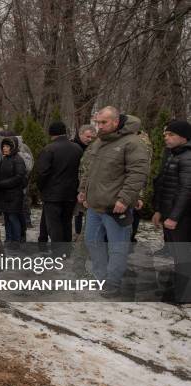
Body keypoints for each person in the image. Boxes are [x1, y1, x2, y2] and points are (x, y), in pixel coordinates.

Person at [78, 106, 150, 297]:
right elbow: (90, 169)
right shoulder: (99, 142)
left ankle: (112, 283)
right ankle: (100, 278)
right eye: (97, 122)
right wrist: (83, 190)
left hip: (116, 207)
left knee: (117, 247)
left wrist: (125, 199)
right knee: (92, 242)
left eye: (103, 122)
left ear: (116, 122)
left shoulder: (132, 142)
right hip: (95, 206)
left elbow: (137, 174)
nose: (99, 126)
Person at [152, 120, 191, 303]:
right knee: (177, 255)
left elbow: (186, 190)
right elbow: (163, 185)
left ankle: (184, 295)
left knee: (183, 256)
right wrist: (159, 210)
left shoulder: (188, 157)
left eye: (171, 135)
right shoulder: (174, 154)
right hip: (169, 213)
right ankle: (176, 290)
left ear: (184, 137)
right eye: (165, 135)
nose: (166, 138)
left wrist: (174, 217)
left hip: (182, 217)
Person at [36, 122, 83, 255]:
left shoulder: (49, 149)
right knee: (66, 222)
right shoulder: (77, 149)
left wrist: (41, 189)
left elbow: (42, 173)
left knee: (54, 224)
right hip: (71, 192)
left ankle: (58, 253)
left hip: (52, 193)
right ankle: (66, 251)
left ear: (51, 134)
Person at [0, 137, 27, 248]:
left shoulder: (18, 159)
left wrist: (3, 183)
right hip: (5, 194)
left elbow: (19, 177)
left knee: (13, 217)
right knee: (7, 218)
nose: (5, 148)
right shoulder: (5, 159)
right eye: (3, 146)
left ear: (12, 148)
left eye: (7, 146)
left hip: (15, 194)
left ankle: (16, 240)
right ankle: (8, 239)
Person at [72, 125, 96, 238]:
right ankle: (77, 233)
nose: (89, 139)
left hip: (88, 186)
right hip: (74, 184)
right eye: (87, 136)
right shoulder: (73, 146)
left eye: (92, 137)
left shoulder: (93, 148)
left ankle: (84, 235)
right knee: (78, 212)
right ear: (80, 134)